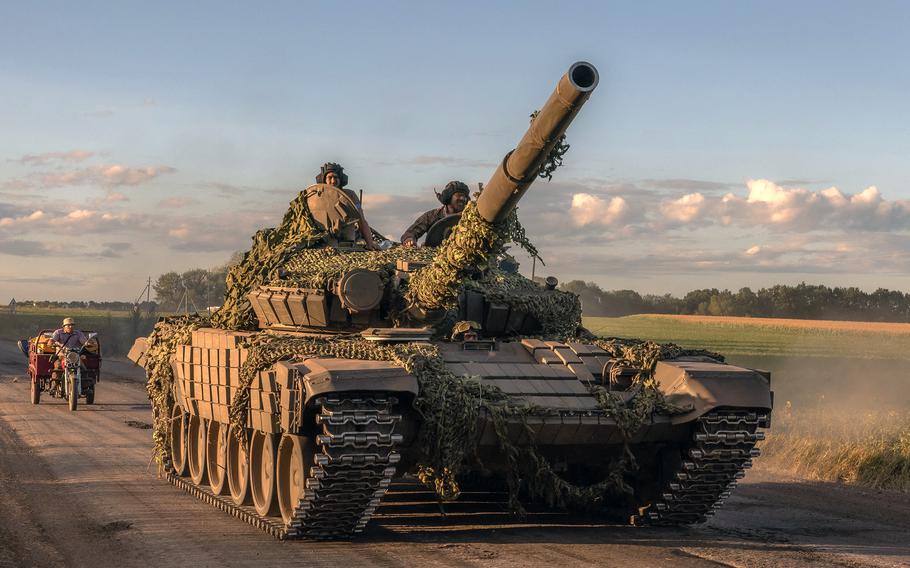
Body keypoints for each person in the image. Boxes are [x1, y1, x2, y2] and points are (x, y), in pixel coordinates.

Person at [315, 162, 379, 250]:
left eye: (336, 177)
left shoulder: (350, 195)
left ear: (341, 179)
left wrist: (370, 243)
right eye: (330, 177)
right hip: (325, 243)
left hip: (347, 243)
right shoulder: (316, 198)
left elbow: (361, 221)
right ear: (324, 180)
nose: (333, 181)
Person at [400, 180, 469, 247]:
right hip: (435, 253)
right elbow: (412, 232)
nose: (463, 198)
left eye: (465, 196)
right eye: (459, 195)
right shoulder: (433, 215)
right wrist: (409, 239)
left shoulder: (469, 217)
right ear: (448, 197)